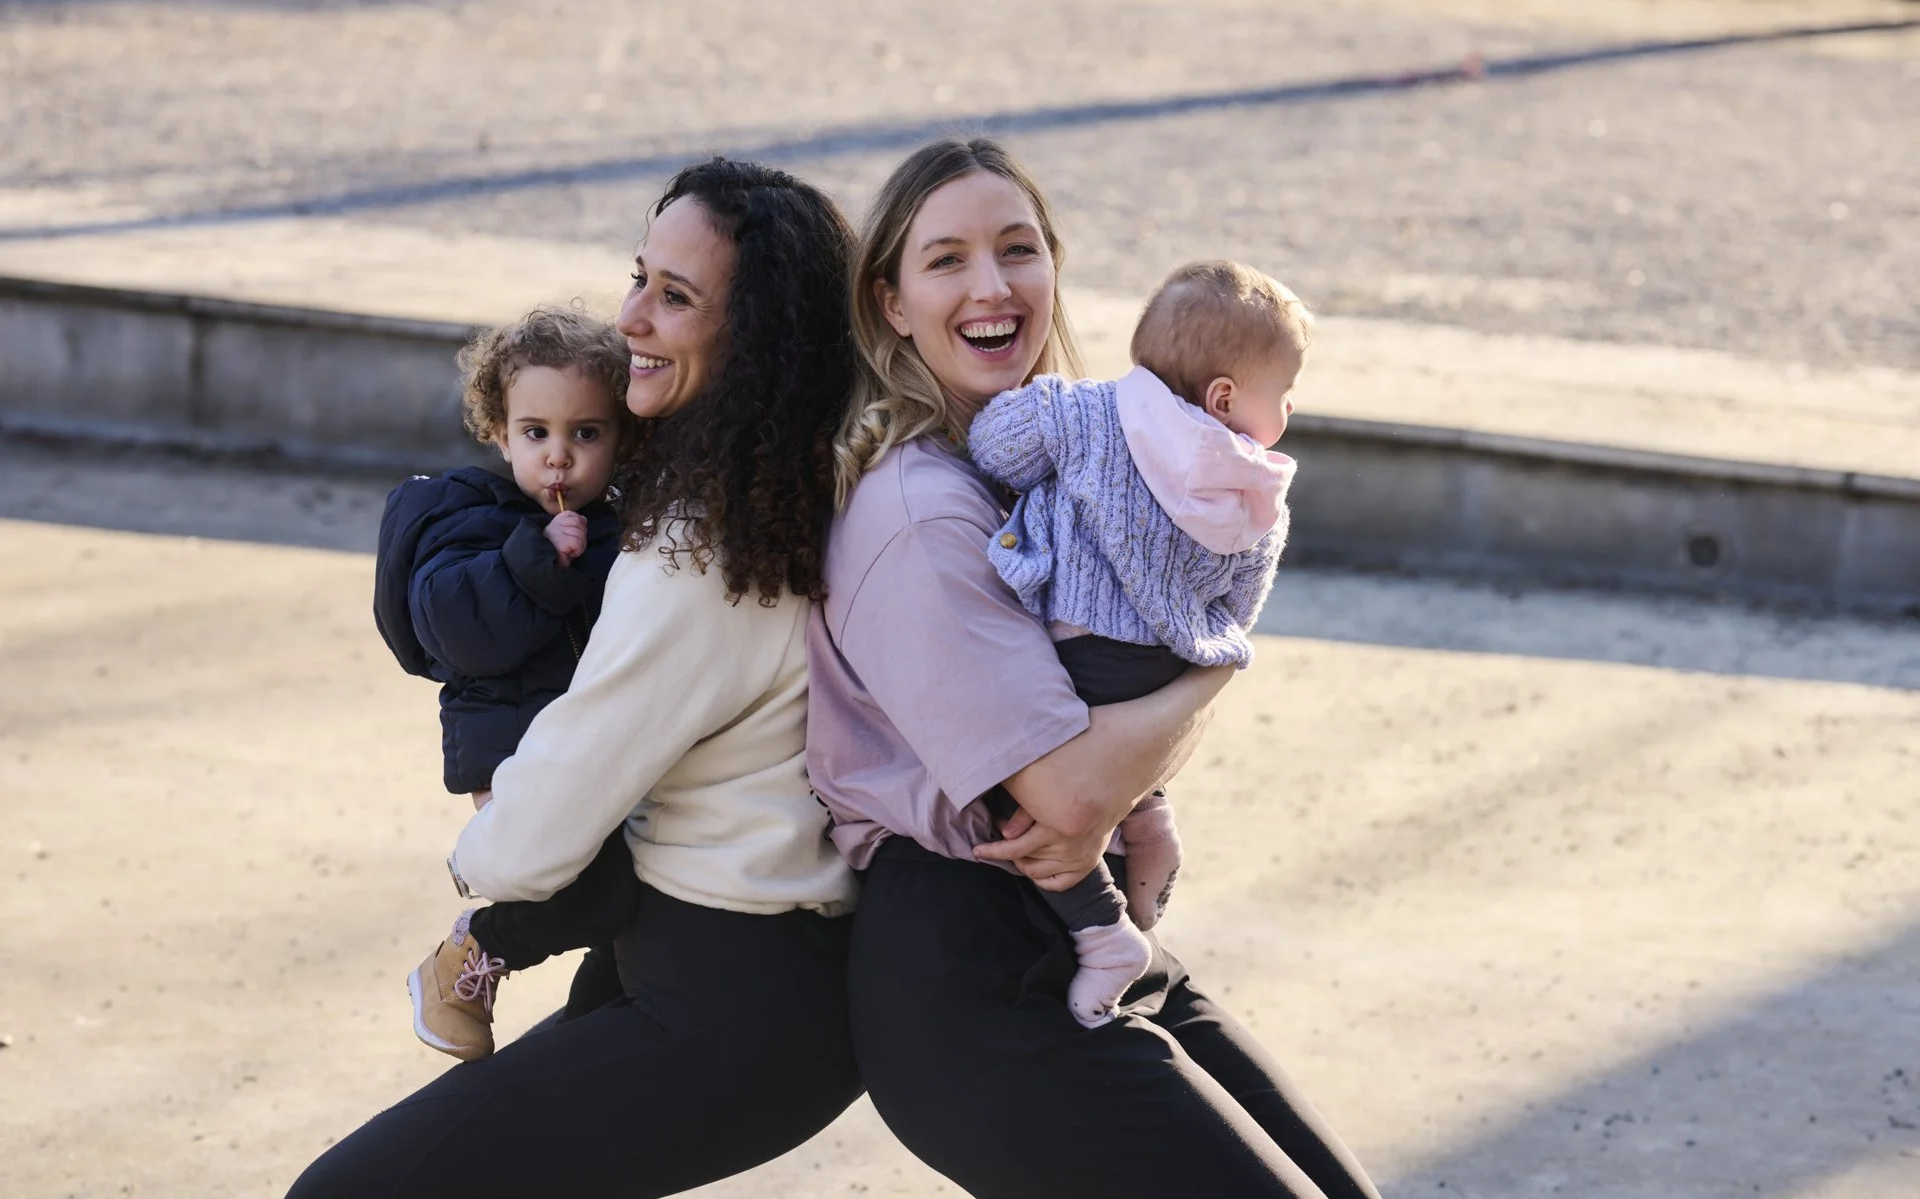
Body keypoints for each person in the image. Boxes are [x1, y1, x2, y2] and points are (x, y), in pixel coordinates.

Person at [807, 137, 1381, 1198]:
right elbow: (1067, 789)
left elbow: (1093, 713)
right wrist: (1218, 663)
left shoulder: (1063, 463)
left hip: (1079, 937)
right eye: (946, 260)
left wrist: (1145, 793)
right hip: (973, 987)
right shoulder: (919, 511)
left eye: (1018, 248)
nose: (992, 284)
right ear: (890, 303)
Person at [289, 158, 863, 1198]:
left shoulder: (706, 548)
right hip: (728, 957)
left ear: (758, 336)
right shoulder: (799, 483)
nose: (631, 317)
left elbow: (552, 811)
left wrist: (478, 874)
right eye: (638, 275)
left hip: (729, 994)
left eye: (675, 296)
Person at [966, 257, 1311, 1026]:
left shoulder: (1083, 414)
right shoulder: (1258, 494)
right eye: (1283, 395)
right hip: (1163, 663)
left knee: (1022, 795)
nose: (1287, 412)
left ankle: (1101, 933)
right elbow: (1241, 602)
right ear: (1224, 397)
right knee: (1128, 760)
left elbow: (994, 448)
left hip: (1080, 653)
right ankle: (1148, 816)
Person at [373, 307, 641, 1060]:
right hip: (507, 744)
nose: (559, 458)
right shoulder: (469, 515)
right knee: (588, 889)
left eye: (586, 434)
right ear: (499, 433)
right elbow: (456, 628)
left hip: (585, 748)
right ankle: (467, 958)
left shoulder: (611, 526)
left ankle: (597, 1046)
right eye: (536, 434)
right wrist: (535, 559)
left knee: (627, 897)